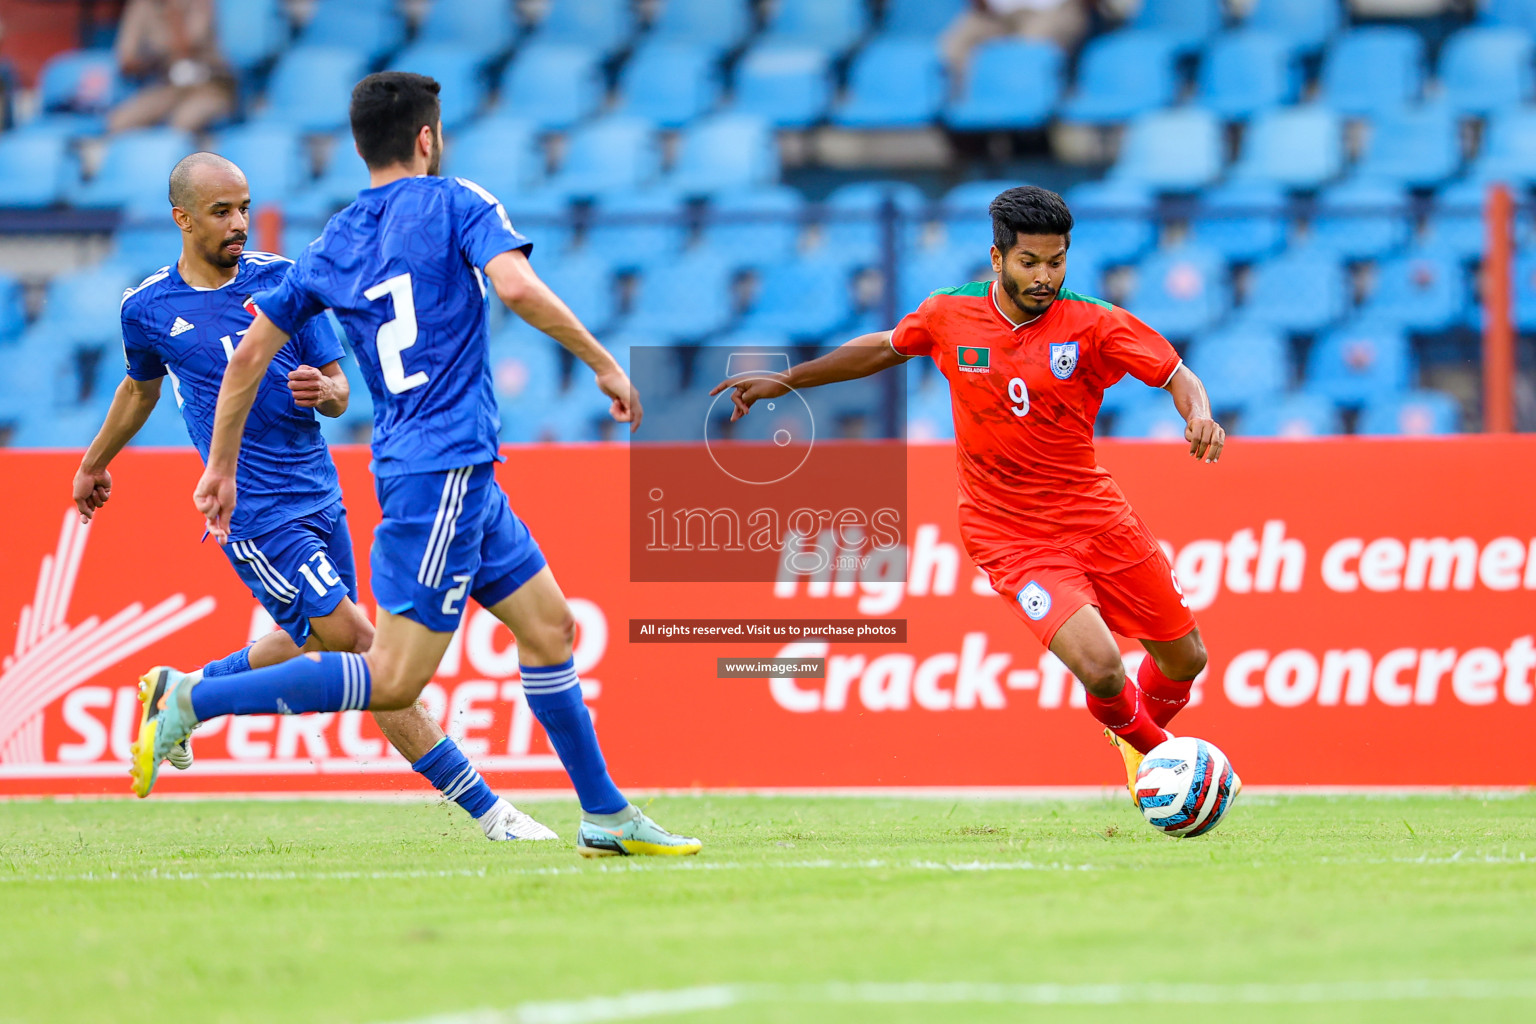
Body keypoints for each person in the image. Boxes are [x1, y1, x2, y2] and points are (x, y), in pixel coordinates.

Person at [132, 73, 700, 857]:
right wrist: (601, 362)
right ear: (428, 138)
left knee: (551, 628)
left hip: (464, 472)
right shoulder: (459, 199)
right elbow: (517, 286)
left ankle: (604, 813)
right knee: (392, 678)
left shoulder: (333, 241)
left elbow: (246, 361)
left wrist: (219, 466)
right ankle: (199, 700)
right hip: (437, 470)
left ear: (364, 145)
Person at [83, 152, 555, 842]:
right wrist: (94, 462)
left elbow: (338, 389)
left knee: (316, 644)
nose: (239, 222)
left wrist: (325, 391)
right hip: (254, 513)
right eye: (221, 212)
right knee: (369, 653)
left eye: (244, 206)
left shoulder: (282, 280)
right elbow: (139, 390)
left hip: (319, 492)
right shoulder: (148, 307)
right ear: (182, 219)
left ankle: (185, 691)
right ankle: (493, 814)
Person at [712, 185, 1237, 797]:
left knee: (1186, 661)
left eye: (1057, 261)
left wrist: (1198, 413)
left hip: (1095, 516)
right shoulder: (948, 313)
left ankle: (1135, 737)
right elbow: (881, 349)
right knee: (1100, 666)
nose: (1046, 277)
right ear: (997, 259)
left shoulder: (1096, 323)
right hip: (1008, 532)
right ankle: (1167, 763)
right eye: (1030, 262)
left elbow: (1177, 375)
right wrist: (788, 379)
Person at [108, 0, 235, 134]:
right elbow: (126, 60)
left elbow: (187, 49)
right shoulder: (142, 5)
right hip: (167, 85)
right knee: (120, 122)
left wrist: (173, 11)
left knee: (184, 122)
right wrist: (143, 61)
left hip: (210, 85)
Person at [941, 0, 1091, 81]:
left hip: (1051, 10)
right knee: (951, 50)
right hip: (995, 12)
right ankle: (970, 122)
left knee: (1026, 56)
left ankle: (1030, 133)